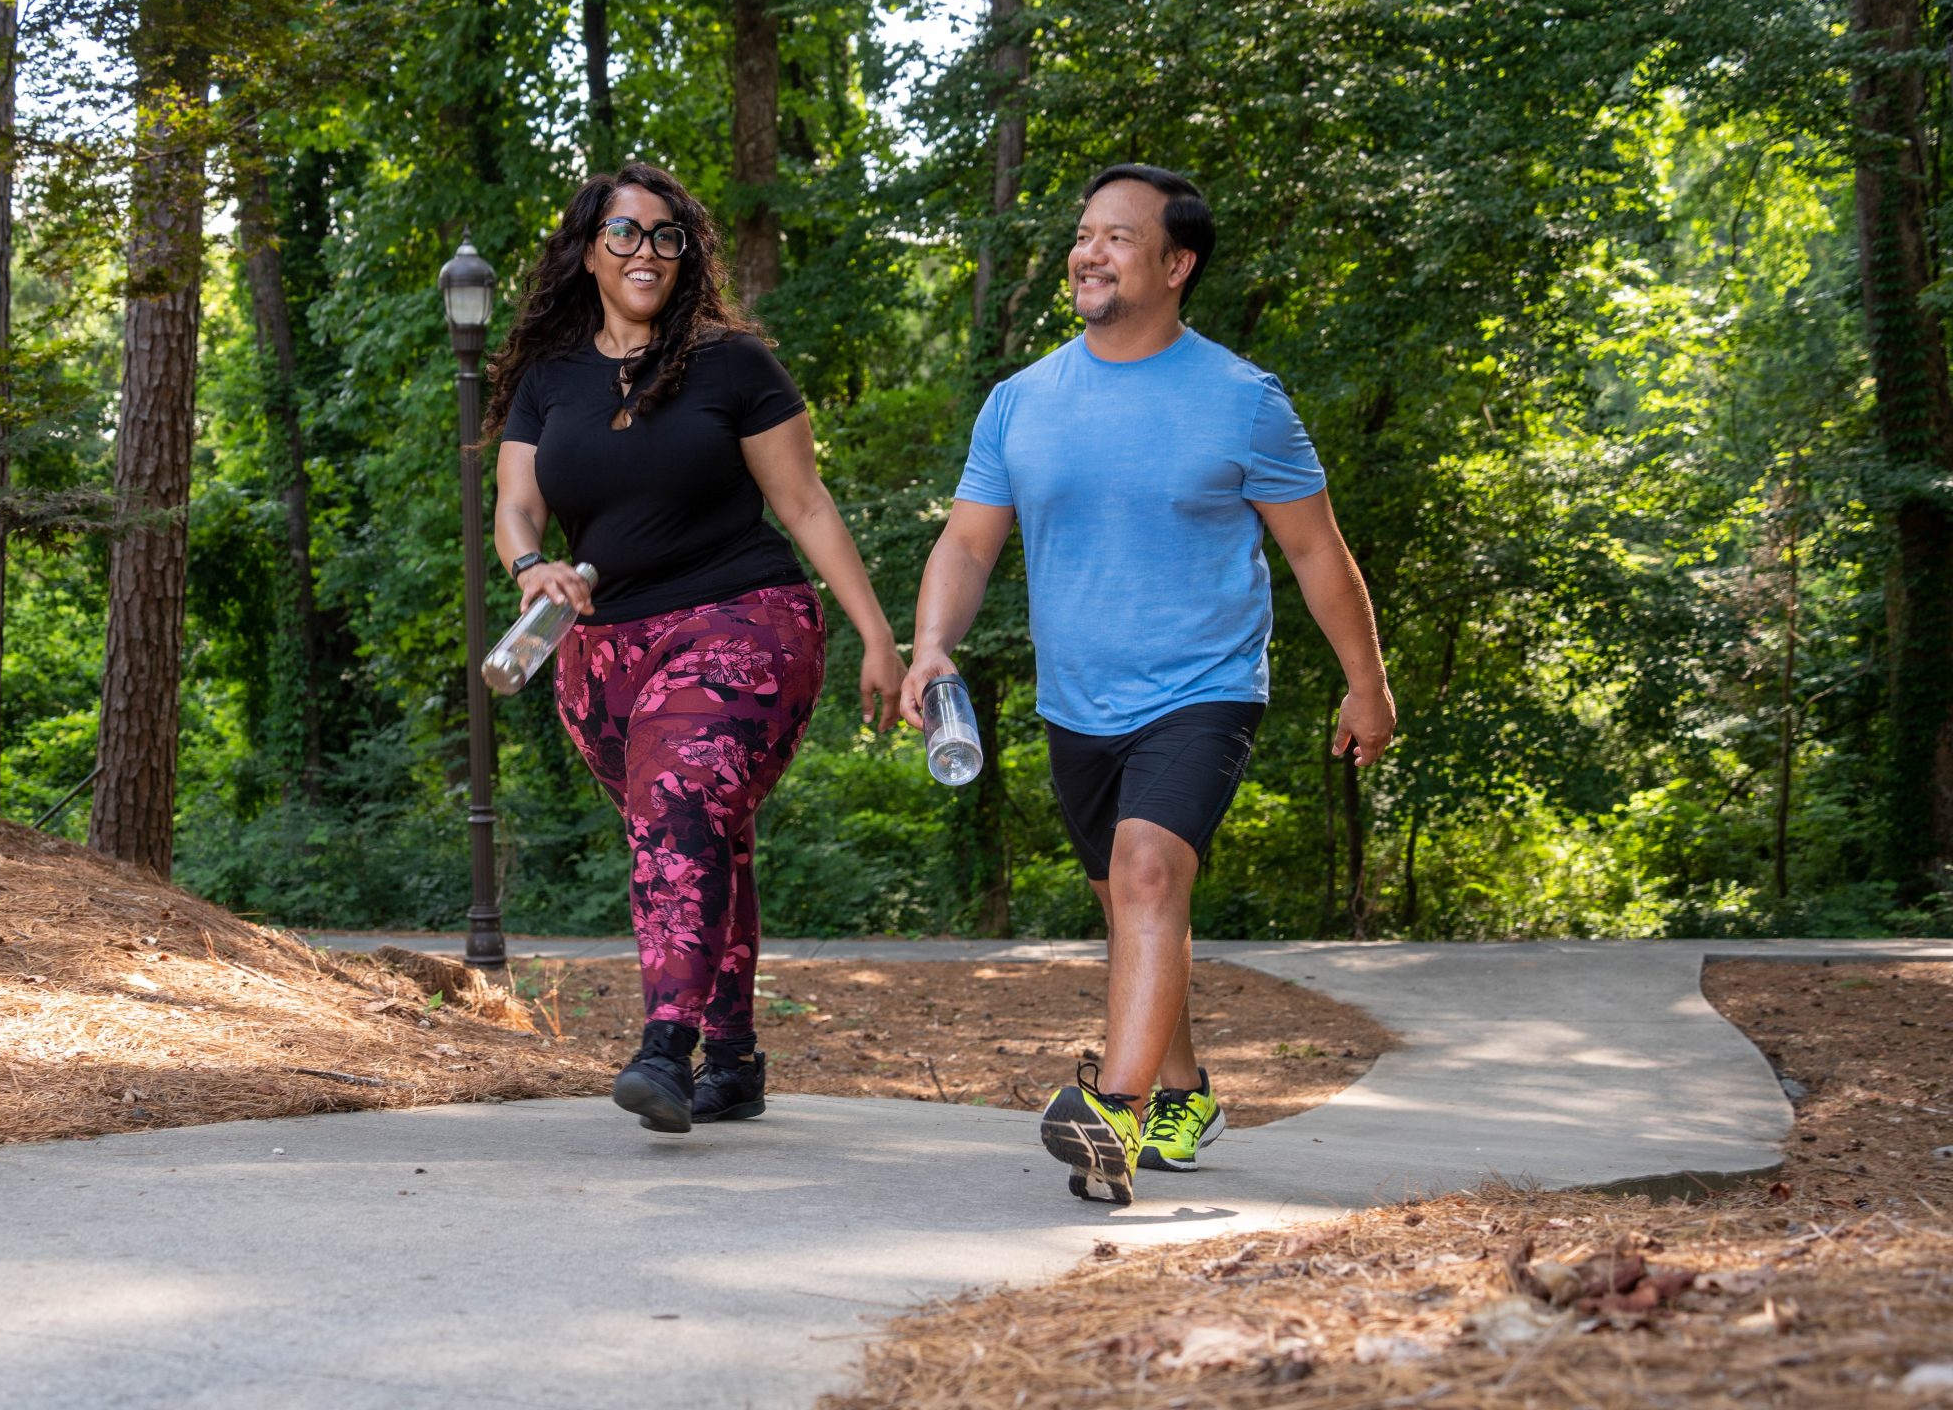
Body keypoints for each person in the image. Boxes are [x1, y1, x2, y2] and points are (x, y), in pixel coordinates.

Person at [899, 165, 1396, 1204]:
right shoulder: (1020, 401)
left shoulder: (1244, 401)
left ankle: (1111, 1114)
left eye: (1118, 238)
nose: (1090, 253)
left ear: (1177, 265)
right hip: (1077, 703)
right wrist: (932, 643)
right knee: (1131, 907)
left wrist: (1367, 684)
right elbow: (968, 543)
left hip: (1205, 686)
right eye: (1085, 235)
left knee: (1147, 877)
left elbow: (1316, 551)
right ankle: (1184, 1091)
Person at [487, 163, 906, 1135]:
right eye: (625, 233)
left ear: (686, 255)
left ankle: (666, 1047)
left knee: (681, 806)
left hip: (741, 621)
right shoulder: (548, 380)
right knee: (700, 837)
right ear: (587, 250)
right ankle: (735, 1057)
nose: (647, 251)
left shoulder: (733, 364)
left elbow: (805, 503)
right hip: (601, 656)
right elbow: (515, 505)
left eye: (666, 235)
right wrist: (530, 567)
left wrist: (878, 635)